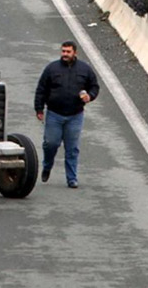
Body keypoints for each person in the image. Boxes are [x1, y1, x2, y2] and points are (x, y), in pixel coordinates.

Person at [35, 41, 100, 189]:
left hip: (75, 115)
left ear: (75, 53)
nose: (65, 54)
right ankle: (47, 165)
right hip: (54, 114)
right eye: (63, 51)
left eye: (68, 52)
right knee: (51, 143)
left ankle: (72, 178)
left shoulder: (85, 69)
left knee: (72, 148)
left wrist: (90, 96)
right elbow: (41, 89)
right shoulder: (51, 69)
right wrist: (39, 109)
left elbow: (94, 86)